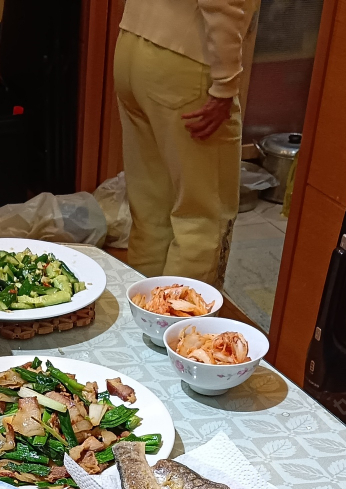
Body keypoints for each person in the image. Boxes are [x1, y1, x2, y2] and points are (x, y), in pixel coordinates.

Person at [114, 0, 259, 285]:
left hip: (133, 43)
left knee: (151, 209)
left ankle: (141, 309)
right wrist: (225, 83)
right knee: (202, 219)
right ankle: (179, 313)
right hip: (190, 59)